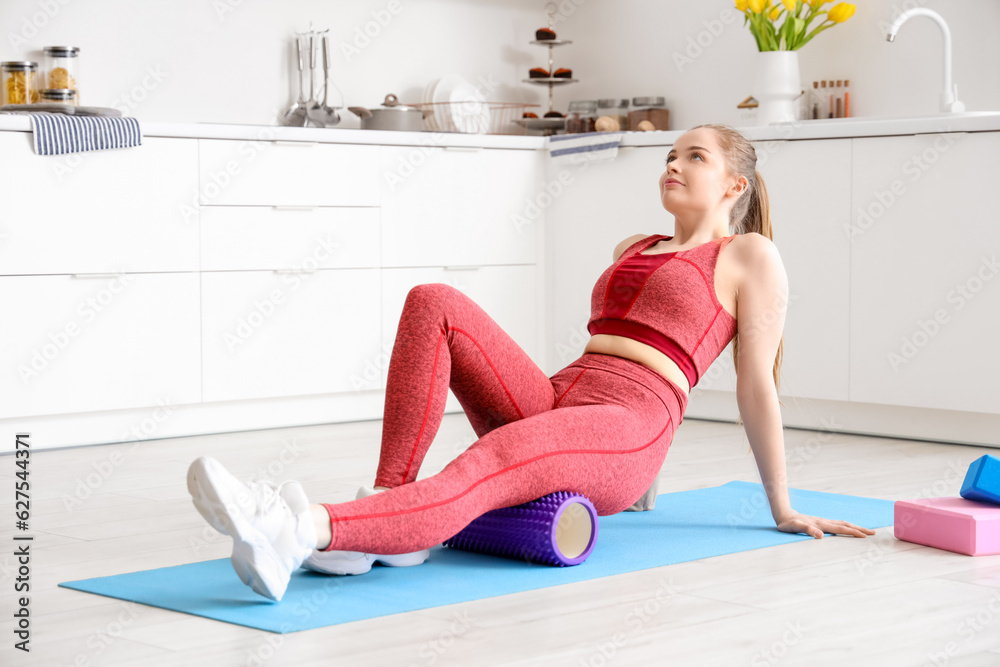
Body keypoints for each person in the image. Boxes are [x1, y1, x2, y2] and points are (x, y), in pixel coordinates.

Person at [187, 123, 876, 602]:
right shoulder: (633, 245)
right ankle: (385, 513)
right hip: (561, 394)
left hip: (627, 418)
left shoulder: (749, 255)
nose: (672, 163)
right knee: (436, 301)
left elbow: (755, 385)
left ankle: (295, 528)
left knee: (489, 463)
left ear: (735, 184)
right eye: (669, 154)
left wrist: (780, 504)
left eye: (694, 156)